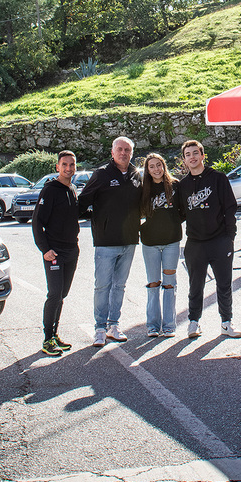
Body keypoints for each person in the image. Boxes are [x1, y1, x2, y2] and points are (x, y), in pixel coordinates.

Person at [78, 136, 142, 347]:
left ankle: (114, 325)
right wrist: (97, 220)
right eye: (120, 149)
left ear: (131, 153)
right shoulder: (101, 174)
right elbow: (83, 201)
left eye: (127, 150)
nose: (123, 153)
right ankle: (99, 328)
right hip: (106, 241)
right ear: (112, 152)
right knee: (102, 286)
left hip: (129, 240)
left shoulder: (136, 174)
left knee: (119, 286)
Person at [176, 139, 241, 339]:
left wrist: (230, 237)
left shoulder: (218, 178)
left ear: (203, 155)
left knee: (224, 284)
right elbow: (179, 214)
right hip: (195, 244)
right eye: (188, 154)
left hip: (220, 241)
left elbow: (230, 207)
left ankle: (226, 323)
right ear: (184, 160)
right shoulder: (183, 186)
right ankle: (193, 323)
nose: (192, 157)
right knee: (195, 286)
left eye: (195, 153)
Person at [33, 151, 81, 356]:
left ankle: (55, 334)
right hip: (54, 252)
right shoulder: (50, 190)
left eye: (72, 165)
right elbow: (37, 222)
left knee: (62, 294)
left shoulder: (72, 189)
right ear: (57, 167)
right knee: (54, 294)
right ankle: (47, 339)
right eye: (64, 165)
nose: (68, 168)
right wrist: (45, 249)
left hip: (71, 250)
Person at [139, 153, 182, 338]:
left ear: (164, 166)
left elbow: (183, 211)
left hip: (171, 242)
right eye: (152, 166)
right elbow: (136, 213)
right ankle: (153, 326)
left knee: (170, 284)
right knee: (153, 284)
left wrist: (173, 223)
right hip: (150, 243)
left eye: (159, 165)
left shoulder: (175, 186)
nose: (156, 169)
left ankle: (169, 326)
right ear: (147, 170)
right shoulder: (143, 189)